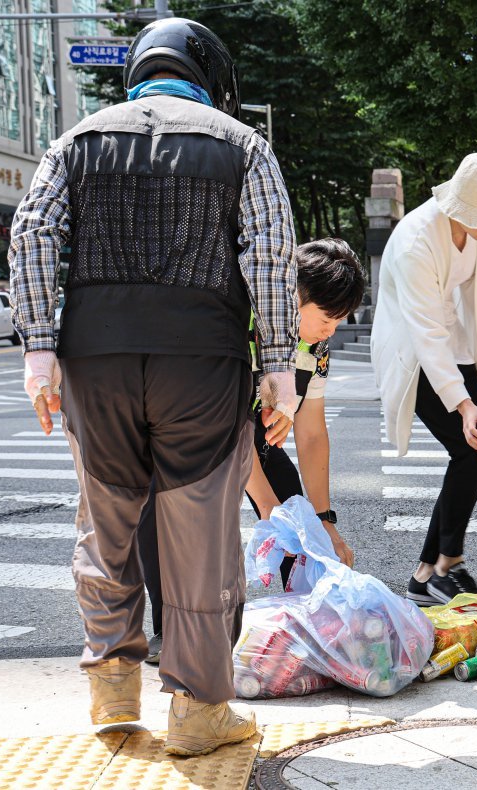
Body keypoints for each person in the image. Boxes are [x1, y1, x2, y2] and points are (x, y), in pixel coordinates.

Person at [8, 17, 300, 757]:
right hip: (201, 364)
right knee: (199, 538)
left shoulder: (76, 141)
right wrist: (279, 368)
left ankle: (112, 687)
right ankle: (199, 710)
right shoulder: (242, 146)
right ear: (208, 74)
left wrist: (38, 349)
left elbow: (33, 233)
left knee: (106, 524)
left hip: (94, 363)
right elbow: (269, 255)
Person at [138, 238, 365, 665]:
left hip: (252, 433)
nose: (332, 329)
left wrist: (323, 522)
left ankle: (313, 618)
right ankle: (169, 628)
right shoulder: (239, 323)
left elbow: (312, 433)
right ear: (293, 297)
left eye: (341, 320)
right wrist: (266, 506)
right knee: (163, 511)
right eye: (328, 317)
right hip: (185, 431)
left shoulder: (314, 347)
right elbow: (226, 425)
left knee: (295, 514)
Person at [372, 152, 477, 605]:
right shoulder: (415, 242)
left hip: (458, 345)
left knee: (475, 455)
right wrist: (464, 405)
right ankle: (446, 565)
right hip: (415, 352)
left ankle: (428, 573)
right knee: (470, 450)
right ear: (458, 205)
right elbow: (425, 332)